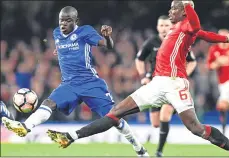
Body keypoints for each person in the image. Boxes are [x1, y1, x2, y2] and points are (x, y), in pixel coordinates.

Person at [44, 1, 229, 157]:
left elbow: (197, 27)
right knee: (115, 113)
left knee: (196, 128)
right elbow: (206, 35)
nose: (170, 11)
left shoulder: (187, 25)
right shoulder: (175, 29)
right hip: (157, 83)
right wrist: (225, 38)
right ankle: (71, 137)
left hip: (175, 83)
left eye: (174, 8)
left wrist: (188, 4)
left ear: (185, 11)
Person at [1, 6, 149, 156]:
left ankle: (139, 148)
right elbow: (64, 48)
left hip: (90, 83)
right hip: (69, 84)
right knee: (49, 103)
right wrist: (59, 50)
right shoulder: (56, 33)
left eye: (67, 21)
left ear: (76, 21)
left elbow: (108, 46)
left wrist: (107, 37)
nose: (63, 24)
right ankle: (25, 126)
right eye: (61, 21)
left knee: (114, 117)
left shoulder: (85, 31)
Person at [136, 15, 229, 157]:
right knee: (156, 123)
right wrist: (144, 77)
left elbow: (192, 61)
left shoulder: (180, 39)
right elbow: (139, 59)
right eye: (161, 26)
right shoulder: (151, 42)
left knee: (165, 114)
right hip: (155, 85)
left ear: (172, 26)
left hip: (173, 85)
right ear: (157, 27)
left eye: (166, 25)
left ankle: (159, 152)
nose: (163, 28)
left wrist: (181, 75)